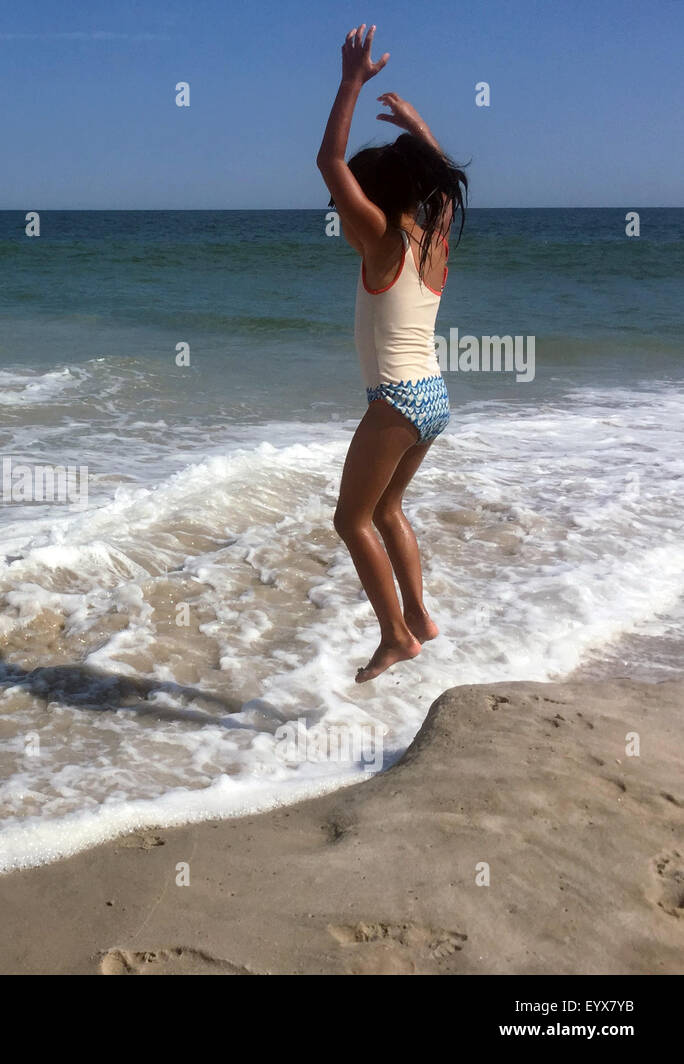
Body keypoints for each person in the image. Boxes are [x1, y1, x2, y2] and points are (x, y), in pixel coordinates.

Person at [315, 24, 468, 682]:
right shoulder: (434, 234)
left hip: (399, 402)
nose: (341, 214)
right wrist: (419, 125)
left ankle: (396, 635)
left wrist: (351, 84)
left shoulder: (381, 238)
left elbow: (330, 164)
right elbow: (439, 178)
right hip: (434, 398)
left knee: (352, 520)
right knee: (389, 509)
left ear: (372, 202)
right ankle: (421, 615)